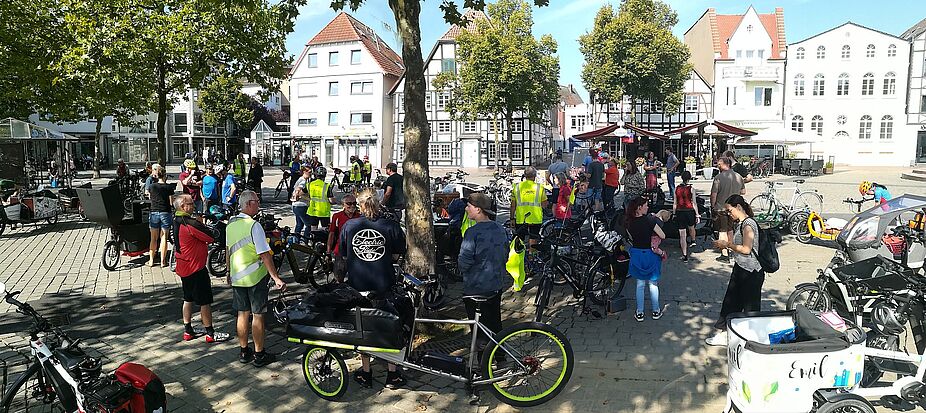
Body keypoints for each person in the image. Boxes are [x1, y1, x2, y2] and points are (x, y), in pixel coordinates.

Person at [340, 189, 407, 388]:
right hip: (384, 283)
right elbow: (397, 254)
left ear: (360, 206)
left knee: (362, 328)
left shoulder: (349, 226)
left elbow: (343, 256)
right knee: (388, 326)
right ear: (378, 204)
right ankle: (392, 374)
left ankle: (366, 372)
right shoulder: (391, 226)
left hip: (358, 284)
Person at [226, 190, 287, 366]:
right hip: (255, 278)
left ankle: (244, 351)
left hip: (238, 277)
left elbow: (228, 250)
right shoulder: (254, 226)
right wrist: (276, 277)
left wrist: (229, 272)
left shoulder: (231, 224)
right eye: (257, 201)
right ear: (248, 204)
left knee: (242, 314)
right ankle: (259, 354)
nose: (259, 204)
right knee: (258, 315)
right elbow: (265, 255)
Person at [706, 194, 764, 347]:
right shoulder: (742, 223)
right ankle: (725, 332)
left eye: (730, 210)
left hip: (751, 272)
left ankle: (753, 339)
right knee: (731, 302)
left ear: (738, 207)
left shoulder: (748, 225)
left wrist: (727, 245)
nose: (729, 214)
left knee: (750, 308)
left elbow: (746, 249)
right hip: (741, 268)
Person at [172, 194, 230, 343]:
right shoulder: (190, 223)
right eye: (191, 204)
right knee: (205, 302)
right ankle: (210, 333)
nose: (194, 206)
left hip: (183, 266)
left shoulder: (176, 219)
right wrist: (200, 223)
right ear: (183, 206)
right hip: (195, 267)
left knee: (188, 298)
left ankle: (188, 330)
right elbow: (210, 237)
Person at [458, 192, 507, 355]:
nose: (466, 209)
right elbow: (505, 255)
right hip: (496, 284)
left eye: (468, 206)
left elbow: (464, 263)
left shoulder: (472, 233)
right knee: (495, 322)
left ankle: (482, 362)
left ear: (478, 209)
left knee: (479, 329)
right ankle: (500, 357)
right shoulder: (500, 229)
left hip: (475, 287)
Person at [625, 196, 666, 322]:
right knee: (653, 283)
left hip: (637, 254)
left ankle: (640, 312)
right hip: (650, 254)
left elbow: (630, 237)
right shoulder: (649, 220)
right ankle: (656, 310)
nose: (647, 207)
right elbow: (663, 235)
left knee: (640, 284)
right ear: (639, 208)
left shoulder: (629, 221)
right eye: (646, 205)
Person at [710, 157, 745, 263]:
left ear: (725, 164)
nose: (718, 166)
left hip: (721, 208)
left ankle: (724, 254)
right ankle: (730, 249)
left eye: (719, 164)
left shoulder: (718, 178)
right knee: (730, 230)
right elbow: (743, 192)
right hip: (734, 209)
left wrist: (712, 206)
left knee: (722, 231)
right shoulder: (738, 176)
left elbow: (714, 194)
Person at [509, 167, 547, 246]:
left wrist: (512, 218)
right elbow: (544, 204)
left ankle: (521, 253)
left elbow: (513, 205)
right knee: (533, 238)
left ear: (525, 175)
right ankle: (531, 253)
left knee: (520, 239)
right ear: (535, 176)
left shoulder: (517, 187)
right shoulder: (540, 187)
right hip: (535, 218)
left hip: (521, 218)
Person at [327, 194, 360, 282]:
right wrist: (328, 251)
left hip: (356, 250)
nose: (352, 206)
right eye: (349, 203)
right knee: (339, 277)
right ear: (343, 205)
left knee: (357, 278)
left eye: (354, 203)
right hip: (341, 249)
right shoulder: (337, 216)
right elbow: (332, 233)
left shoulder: (360, 216)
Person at [147, 168, 175, 267]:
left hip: (154, 212)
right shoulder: (169, 187)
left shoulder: (152, 186)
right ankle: (163, 261)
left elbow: (150, 197)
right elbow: (171, 202)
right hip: (165, 212)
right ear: (165, 175)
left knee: (153, 238)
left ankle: (151, 260)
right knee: (164, 237)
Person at [673, 170, 700, 262]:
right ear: (689, 178)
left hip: (680, 212)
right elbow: (694, 203)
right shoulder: (691, 189)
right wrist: (697, 214)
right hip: (689, 211)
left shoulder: (677, 189)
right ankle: (693, 240)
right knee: (691, 227)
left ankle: (684, 255)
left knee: (682, 235)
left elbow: (675, 203)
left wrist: (674, 213)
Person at [306, 166, 335, 231]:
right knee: (325, 229)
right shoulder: (327, 186)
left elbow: (300, 193)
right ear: (325, 175)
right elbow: (331, 200)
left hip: (313, 211)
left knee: (313, 228)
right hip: (324, 212)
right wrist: (334, 201)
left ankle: (313, 237)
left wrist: (308, 199)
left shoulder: (310, 184)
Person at [291, 166, 312, 240]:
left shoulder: (300, 179)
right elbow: (298, 189)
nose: (311, 174)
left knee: (299, 224)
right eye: (309, 172)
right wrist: (297, 195)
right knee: (309, 225)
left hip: (295, 206)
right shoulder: (303, 181)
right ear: (304, 172)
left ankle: (295, 241)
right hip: (301, 206)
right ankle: (305, 241)